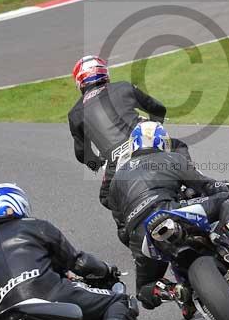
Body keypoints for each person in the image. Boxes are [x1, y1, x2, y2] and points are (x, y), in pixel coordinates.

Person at [0, 182, 148, 320]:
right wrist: (106, 270)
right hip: (53, 296)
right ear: (21, 205)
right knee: (120, 300)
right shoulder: (36, 227)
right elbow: (78, 262)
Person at [108, 121, 229, 311]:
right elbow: (205, 186)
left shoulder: (115, 180)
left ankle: (173, 291)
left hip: (140, 234)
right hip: (170, 210)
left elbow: (122, 230)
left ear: (133, 145)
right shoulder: (171, 158)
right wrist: (222, 186)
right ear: (163, 142)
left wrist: (137, 246)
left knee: (144, 292)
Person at [68, 55, 190, 239]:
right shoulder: (124, 86)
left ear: (80, 82)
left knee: (107, 198)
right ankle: (193, 185)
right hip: (148, 142)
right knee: (179, 147)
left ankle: (131, 233)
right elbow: (158, 109)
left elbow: (81, 153)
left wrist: (98, 164)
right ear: (104, 74)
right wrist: (153, 129)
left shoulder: (75, 114)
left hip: (116, 162)